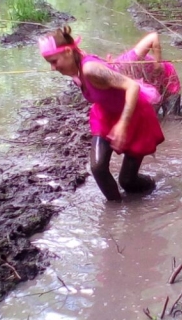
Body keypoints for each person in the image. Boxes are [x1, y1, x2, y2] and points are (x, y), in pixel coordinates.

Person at [39, 26, 164, 201]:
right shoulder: (76, 68)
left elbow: (132, 86)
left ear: (67, 51)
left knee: (127, 182)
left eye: (54, 61)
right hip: (106, 115)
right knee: (98, 167)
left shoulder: (91, 69)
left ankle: (156, 187)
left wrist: (123, 124)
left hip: (134, 116)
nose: (53, 68)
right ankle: (115, 213)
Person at [109, 32, 182, 118]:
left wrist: (158, 63)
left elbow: (153, 36)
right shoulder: (116, 82)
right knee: (153, 118)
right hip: (152, 85)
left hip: (167, 77)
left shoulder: (130, 59)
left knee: (172, 117)